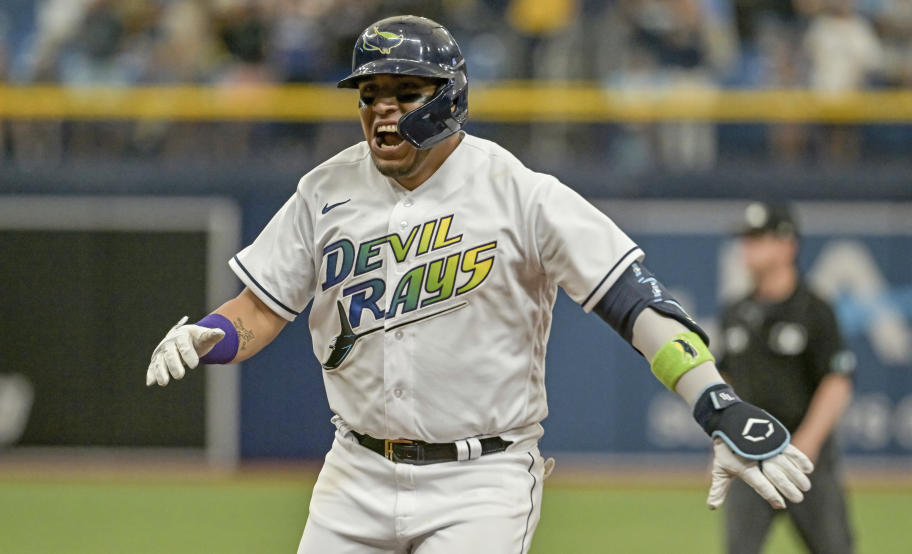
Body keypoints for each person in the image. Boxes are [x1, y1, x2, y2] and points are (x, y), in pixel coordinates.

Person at [145, 16, 814, 553]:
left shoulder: (517, 193)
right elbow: (261, 308)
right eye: (370, 94)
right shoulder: (324, 189)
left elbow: (636, 307)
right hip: (354, 471)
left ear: (448, 99)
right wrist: (212, 334)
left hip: (480, 479)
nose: (382, 111)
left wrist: (715, 404)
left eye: (405, 94)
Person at [719, 201, 855, 554]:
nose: (747, 246)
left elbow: (836, 381)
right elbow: (724, 380)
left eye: (758, 237)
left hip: (805, 459)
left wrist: (804, 445)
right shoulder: (736, 312)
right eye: (746, 238)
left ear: (787, 245)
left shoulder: (815, 310)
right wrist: (721, 439)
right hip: (751, 458)